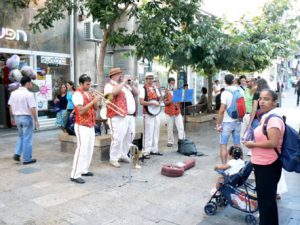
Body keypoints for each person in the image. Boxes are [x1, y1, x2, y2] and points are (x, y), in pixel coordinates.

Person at [243, 89, 284, 225]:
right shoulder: (266, 116)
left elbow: (273, 142)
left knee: (267, 203)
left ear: (274, 102)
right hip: (262, 164)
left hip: (268, 165)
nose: (262, 101)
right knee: (266, 202)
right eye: (260, 98)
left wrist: (252, 144)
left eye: (266, 99)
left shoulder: (274, 119)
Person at [104, 68, 138, 168]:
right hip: (117, 116)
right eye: (119, 74)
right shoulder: (109, 85)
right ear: (113, 76)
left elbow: (136, 93)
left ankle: (123, 154)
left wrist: (132, 84)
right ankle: (113, 158)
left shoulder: (125, 86)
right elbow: (112, 94)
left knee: (130, 136)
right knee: (117, 138)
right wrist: (123, 82)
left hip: (129, 116)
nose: (121, 76)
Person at [70, 74, 100, 184]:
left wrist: (95, 100)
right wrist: (92, 101)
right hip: (81, 125)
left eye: (90, 83)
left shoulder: (88, 93)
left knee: (89, 149)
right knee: (81, 149)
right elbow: (81, 111)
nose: (90, 86)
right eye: (87, 84)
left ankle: (84, 170)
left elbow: (96, 108)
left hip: (90, 124)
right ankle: (74, 174)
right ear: (81, 84)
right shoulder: (77, 94)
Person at [8, 76, 39, 164]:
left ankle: (17, 154)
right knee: (27, 138)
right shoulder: (29, 94)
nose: (31, 85)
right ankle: (27, 158)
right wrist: (36, 120)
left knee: (21, 136)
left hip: (17, 117)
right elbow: (32, 108)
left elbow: (10, 106)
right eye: (31, 83)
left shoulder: (13, 93)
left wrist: (12, 117)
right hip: (26, 118)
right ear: (28, 83)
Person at [216, 74, 241, 164]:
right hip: (237, 121)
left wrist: (218, 124)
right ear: (233, 81)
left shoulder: (225, 93)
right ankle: (239, 167)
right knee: (237, 145)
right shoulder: (239, 91)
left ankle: (224, 167)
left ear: (225, 81)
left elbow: (222, 110)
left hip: (227, 122)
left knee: (223, 145)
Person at [139, 72, 162, 158]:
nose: (150, 80)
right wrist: (151, 104)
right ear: (145, 79)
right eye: (148, 78)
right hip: (147, 113)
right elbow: (141, 102)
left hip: (156, 113)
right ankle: (146, 151)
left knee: (156, 131)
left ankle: (154, 149)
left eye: (151, 78)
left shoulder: (155, 88)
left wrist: (159, 89)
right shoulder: (143, 89)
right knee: (148, 133)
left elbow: (160, 98)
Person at [164, 77, 185, 147]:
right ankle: (170, 141)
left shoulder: (177, 90)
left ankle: (181, 140)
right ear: (169, 83)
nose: (173, 84)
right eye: (171, 83)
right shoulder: (166, 91)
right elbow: (165, 103)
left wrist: (180, 97)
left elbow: (180, 101)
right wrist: (171, 100)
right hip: (169, 112)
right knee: (170, 128)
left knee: (181, 126)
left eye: (174, 83)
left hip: (177, 111)